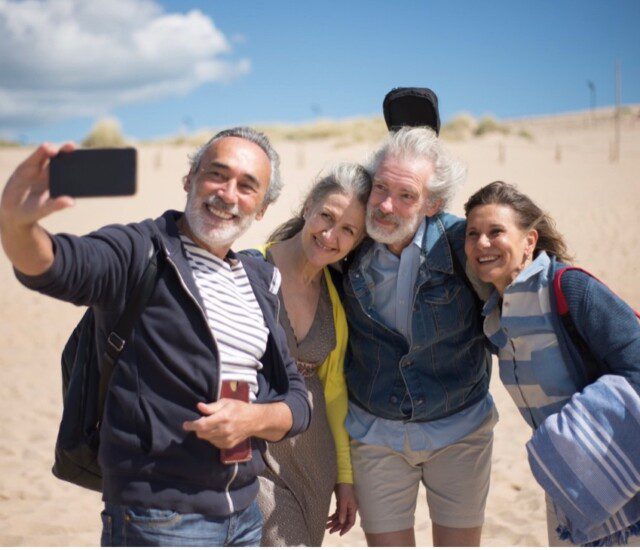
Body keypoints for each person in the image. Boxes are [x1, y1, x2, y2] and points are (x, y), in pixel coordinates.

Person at [0, 127, 311, 547]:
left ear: (261, 208)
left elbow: (295, 396)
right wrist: (18, 226)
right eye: (217, 175)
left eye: (247, 186)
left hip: (245, 514)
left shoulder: (258, 280)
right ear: (190, 179)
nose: (227, 194)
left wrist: (255, 419)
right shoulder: (139, 250)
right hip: (161, 517)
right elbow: (58, 265)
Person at [334, 127, 497, 547]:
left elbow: (523, 287)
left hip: (461, 430)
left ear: (433, 204)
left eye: (406, 195)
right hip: (375, 435)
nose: (386, 206)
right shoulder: (345, 244)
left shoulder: (466, 245)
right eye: (381, 188)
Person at [464, 181, 640, 546]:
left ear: (529, 241)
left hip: (623, 472)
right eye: (472, 234)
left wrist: (584, 435)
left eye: (496, 232)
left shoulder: (569, 289)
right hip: (571, 485)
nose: (482, 243)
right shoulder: (494, 318)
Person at [254, 163, 370, 546]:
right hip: (257, 453)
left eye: (348, 230)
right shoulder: (250, 267)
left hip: (315, 461)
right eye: (327, 216)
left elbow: (335, 392)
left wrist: (345, 478)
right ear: (307, 208)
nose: (331, 235)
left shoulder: (336, 296)